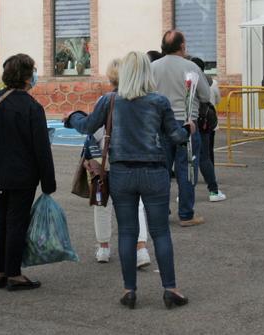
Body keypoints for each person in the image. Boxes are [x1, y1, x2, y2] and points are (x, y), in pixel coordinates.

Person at [66, 51, 194, 310]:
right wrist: (189, 127)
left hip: (122, 172)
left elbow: (88, 125)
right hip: (154, 172)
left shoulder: (111, 100)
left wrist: (72, 117)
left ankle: (129, 290)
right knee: (160, 233)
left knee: (126, 231)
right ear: (148, 73)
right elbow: (176, 137)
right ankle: (170, 289)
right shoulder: (159, 101)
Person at [0, 54, 56, 292]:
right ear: (26, 76)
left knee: (0, 219)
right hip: (22, 175)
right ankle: (14, 274)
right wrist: (48, 182)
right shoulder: (32, 108)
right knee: (16, 222)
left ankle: (1, 270)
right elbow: (41, 148)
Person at [82, 59, 151, 266]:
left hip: (105, 161)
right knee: (136, 204)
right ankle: (141, 250)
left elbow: (92, 130)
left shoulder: (105, 100)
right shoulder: (140, 100)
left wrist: (88, 156)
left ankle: (103, 247)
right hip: (132, 160)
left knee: (101, 202)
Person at [151, 30, 210, 227]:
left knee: (161, 170)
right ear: (182, 46)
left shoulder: (152, 67)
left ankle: (161, 211)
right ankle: (186, 214)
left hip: (160, 124)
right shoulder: (191, 67)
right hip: (187, 125)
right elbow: (206, 96)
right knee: (187, 170)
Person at [190, 57, 226, 202]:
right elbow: (213, 99)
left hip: (187, 121)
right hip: (204, 122)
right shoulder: (209, 81)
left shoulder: (184, 79)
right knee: (205, 155)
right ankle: (213, 190)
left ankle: (185, 193)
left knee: (186, 159)